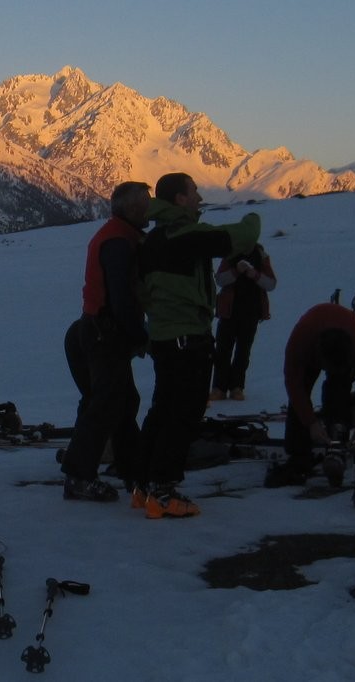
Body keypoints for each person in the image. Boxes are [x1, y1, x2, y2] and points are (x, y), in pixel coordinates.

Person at [134, 172, 260, 518]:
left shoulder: (152, 240)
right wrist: (254, 216)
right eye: (194, 192)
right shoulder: (188, 236)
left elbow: (141, 291)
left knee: (161, 410)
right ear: (180, 199)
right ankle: (163, 491)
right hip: (189, 338)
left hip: (162, 337)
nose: (200, 198)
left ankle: (142, 485)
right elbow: (241, 237)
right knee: (184, 415)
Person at [60, 181, 151, 502]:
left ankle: (129, 468)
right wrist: (139, 335)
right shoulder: (118, 241)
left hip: (96, 329)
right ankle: (80, 475)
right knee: (108, 404)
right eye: (145, 202)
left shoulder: (119, 235)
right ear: (131, 208)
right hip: (105, 333)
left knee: (119, 402)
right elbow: (121, 297)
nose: (149, 207)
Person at [264, 302, 355, 487]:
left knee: (339, 389)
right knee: (301, 393)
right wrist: (310, 422)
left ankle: (337, 443)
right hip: (311, 341)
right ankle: (299, 455)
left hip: (345, 335)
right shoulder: (301, 341)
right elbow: (294, 385)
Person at [209, 244, 277, 401]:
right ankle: (219, 387)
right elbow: (220, 279)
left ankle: (236, 387)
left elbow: (271, 283)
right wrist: (236, 271)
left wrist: (254, 274)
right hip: (229, 312)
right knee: (222, 350)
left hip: (251, 312)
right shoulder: (231, 253)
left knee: (243, 352)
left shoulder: (261, 255)